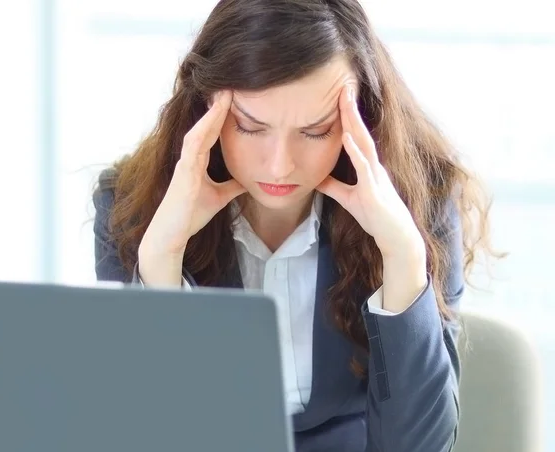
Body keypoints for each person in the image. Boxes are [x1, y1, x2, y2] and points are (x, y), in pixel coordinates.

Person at [93, 1, 498, 450]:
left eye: (316, 131)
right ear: (202, 109)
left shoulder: (425, 202)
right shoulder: (129, 206)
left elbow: (418, 447)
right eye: (249, 127)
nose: (280, 165)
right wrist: (161, 262)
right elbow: (149, 435)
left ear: (362, 116)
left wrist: (402, 259)